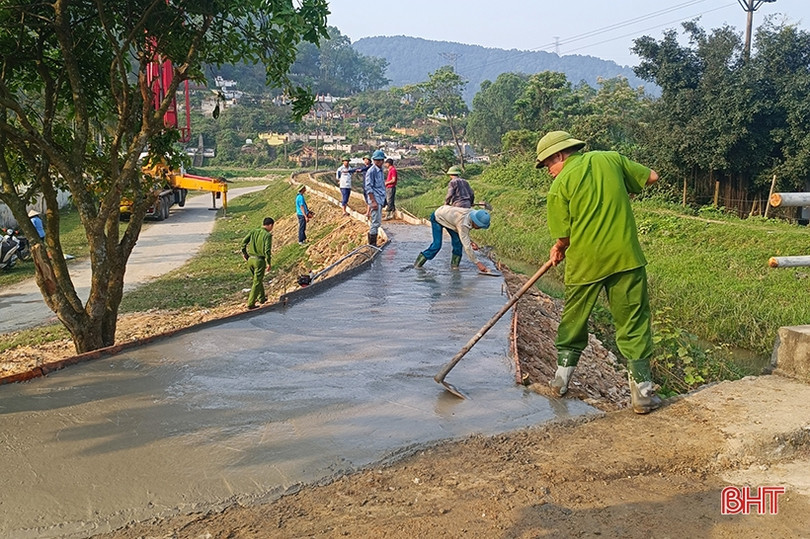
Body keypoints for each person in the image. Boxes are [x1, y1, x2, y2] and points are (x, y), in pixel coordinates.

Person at [536, 130, 663, 414]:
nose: (549, 173)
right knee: (633, 322)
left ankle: (559, 383)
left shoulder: (559, 188)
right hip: (625, 259)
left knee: (574, 320)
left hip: (585, 264)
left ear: (559, 155)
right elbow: (651, 177)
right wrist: (621, 188)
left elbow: (564, 235)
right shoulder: (612, 159)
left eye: (548, 165)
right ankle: (642, 394)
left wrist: (558, 248)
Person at [413, 206, 492, 272]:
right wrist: (478, 263)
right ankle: (417, 266)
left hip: (451, 221)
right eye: (479, 226)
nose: (479, 228)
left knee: (457, 243)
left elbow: (463, 236)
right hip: (438, 217)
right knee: (436, 245)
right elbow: (467, 246)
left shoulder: (473, 213)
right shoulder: (463, 224)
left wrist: (471, 242)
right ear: (475, 222)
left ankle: (454, 267)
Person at [240, 217, 274, 310]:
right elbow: (267, 250)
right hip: (259, 260)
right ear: (270, 225)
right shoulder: (267, 235)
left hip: (250, 259)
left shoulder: (253, 231)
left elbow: (243, 242)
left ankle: (262, 298)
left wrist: (245, 254)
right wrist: (269, 262)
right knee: (257, 281)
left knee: (257, 279)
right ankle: (251, 303)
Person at [364, 149, 386, 246]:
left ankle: (373, 243)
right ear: (374, 160)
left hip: (380, 198)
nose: (380, 162)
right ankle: (372, 244)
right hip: (375, 199)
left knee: (378, 221)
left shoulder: (381, 170)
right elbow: (368, 187)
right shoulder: (371, 171)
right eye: (378, 160)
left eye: (381, 160)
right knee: (375, 222)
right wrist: (373, 201)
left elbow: (381, 185)